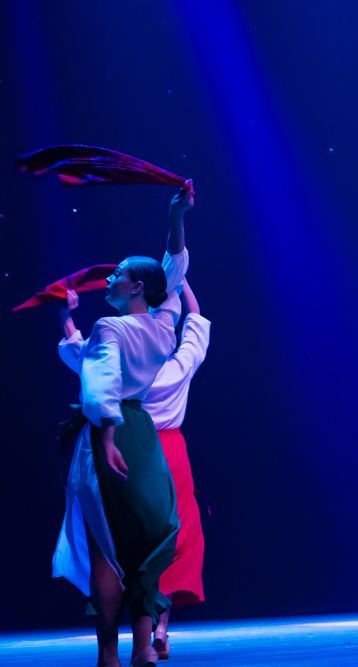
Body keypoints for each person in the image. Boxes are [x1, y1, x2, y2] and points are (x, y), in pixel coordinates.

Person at [52, 190, 193, 667]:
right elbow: (173, 272)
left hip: (110, 433)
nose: (109, 279)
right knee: (144, 541)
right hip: (143, 435)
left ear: (136, 288)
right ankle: (143, 647)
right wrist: (176, 215)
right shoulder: (163, 327)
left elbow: (100, 378)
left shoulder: (109, 329)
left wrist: (107, 434)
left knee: (105, 548)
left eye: (118, 274)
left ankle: (109, 654)